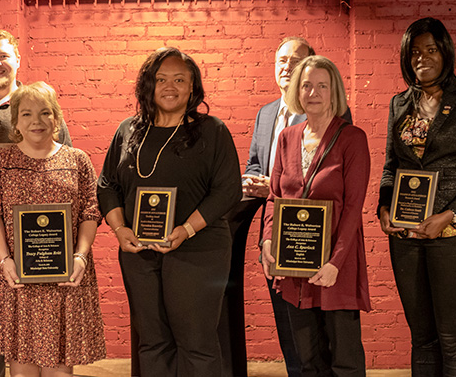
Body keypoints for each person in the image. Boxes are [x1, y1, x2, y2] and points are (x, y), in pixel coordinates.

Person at [97, 47, 241, 376]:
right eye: (161, 79)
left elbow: (227, 190)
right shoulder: (128, 131)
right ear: (148, 85)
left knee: (197, 342)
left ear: (193, 87)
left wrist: (186, 230)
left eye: (179, 79)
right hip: (140, 253)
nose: (170, 86)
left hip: (198, 251)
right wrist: (121, 230)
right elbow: (107, 185)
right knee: (151, 341)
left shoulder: (212, 131)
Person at [378, 17, 456, 376]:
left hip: (454, 235)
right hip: (406, 235)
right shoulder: (399, 104)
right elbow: (390, 167)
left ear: (445, 52)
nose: (422, 58)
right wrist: (384, 206)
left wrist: (447, 216)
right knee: (422, 339)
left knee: (454, 338)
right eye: (414, 52)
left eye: (430, 50)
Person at [0, 29, 72, 377]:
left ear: (18, 60)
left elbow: (61, 161)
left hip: (37, 238)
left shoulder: (38, 105)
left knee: (34, 318)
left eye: (3, 55)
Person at [0, 81, 105, 376]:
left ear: (56, 118)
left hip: (64, 275)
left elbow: (90, 212)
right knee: (21, 370)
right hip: (13, 276)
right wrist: (4, 260)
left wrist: (81, 257)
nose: (37, 121)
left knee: (60, 369)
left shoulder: (78, 161)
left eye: (45, 113)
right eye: (27, 114)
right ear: (16, 121)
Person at [261, 55, 371, 376]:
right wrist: (269, 240)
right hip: (295, 265)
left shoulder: (353, 139)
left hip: (337, 265)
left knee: (344, 361)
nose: (314, 92)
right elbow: (274, 197)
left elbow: (353, 209)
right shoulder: (286, 138)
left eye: (322, 85)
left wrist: (335, 262)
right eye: (306, 85)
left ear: (334, 92)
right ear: (296, 90)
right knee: (308, 362)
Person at [222, 37, 315, 377]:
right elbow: (255, 164)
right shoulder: (265, 113)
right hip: (270, 226)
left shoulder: (322, 110)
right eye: (281, 61)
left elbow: (322, 173)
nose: (286, 66)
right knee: (284, 316)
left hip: (306, 227)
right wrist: (252, 179)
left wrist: (273, 185)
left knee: (309, 322)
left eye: (295, 60)